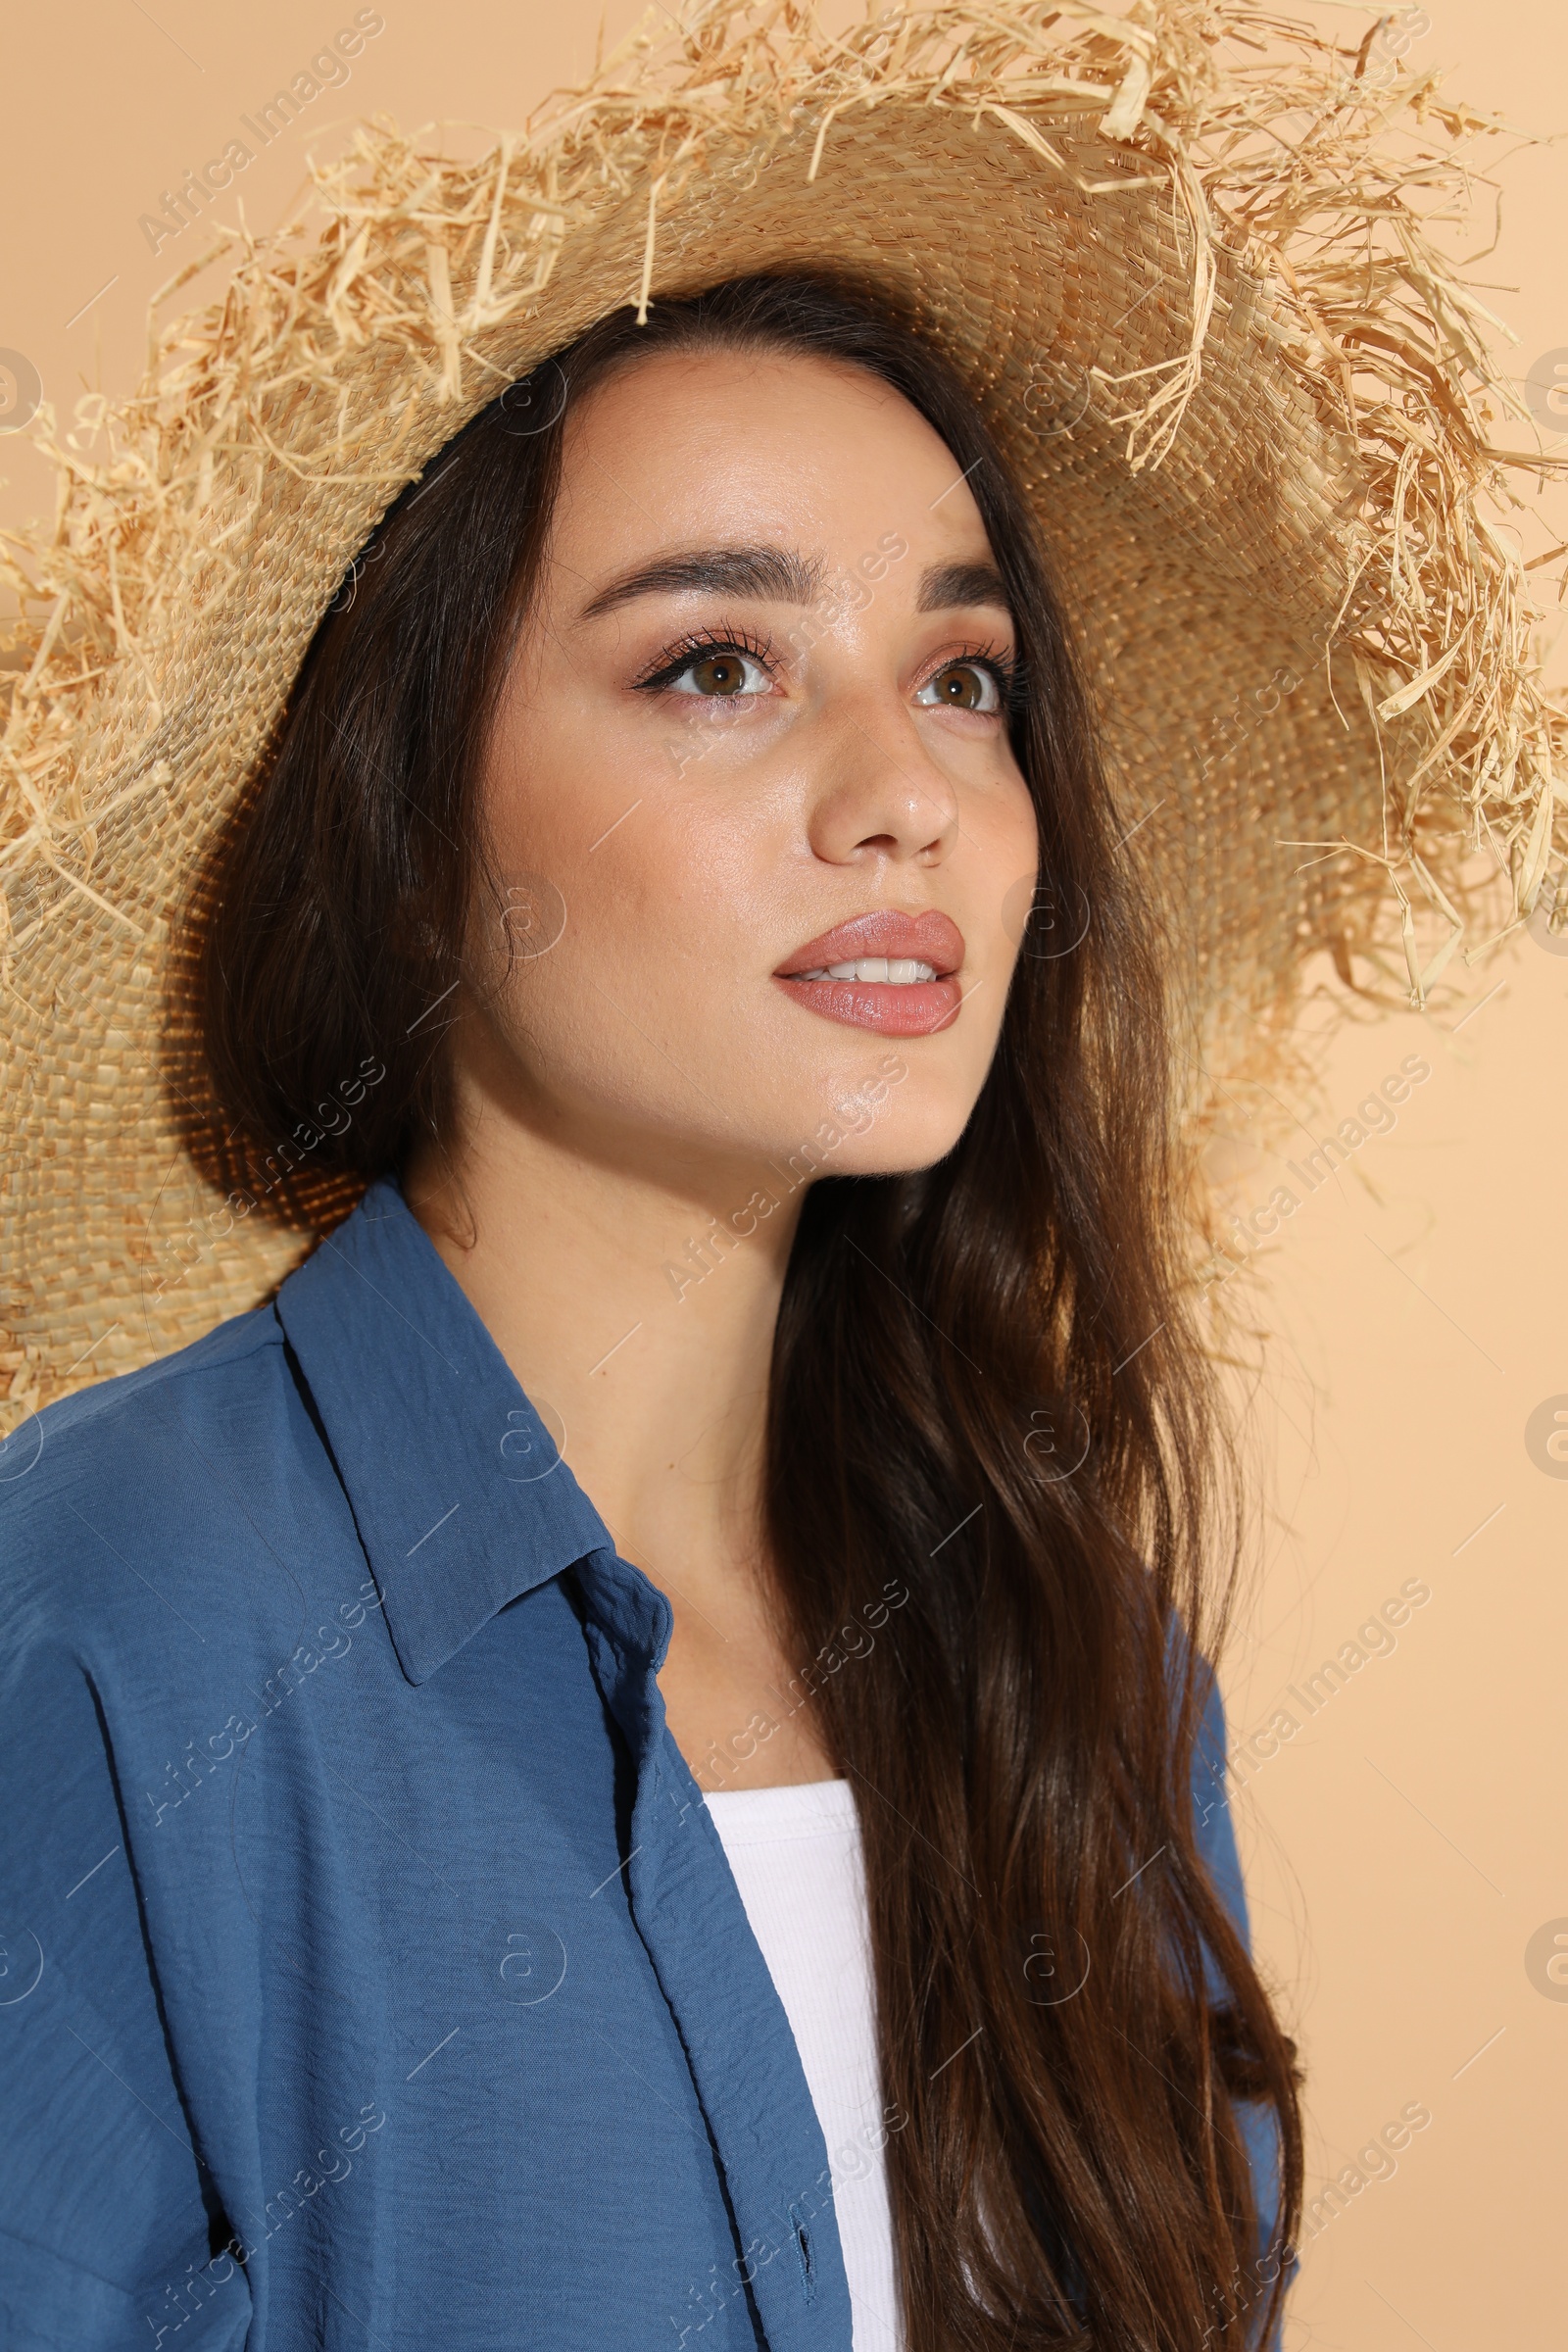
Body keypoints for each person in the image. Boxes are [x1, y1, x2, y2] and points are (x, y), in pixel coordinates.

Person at [3, 7, 1549, 2349]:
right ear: (408, 836)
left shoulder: (1081, 1665)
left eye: (962, 675)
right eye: (719, 663)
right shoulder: (103, 1625)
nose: (901, 792)